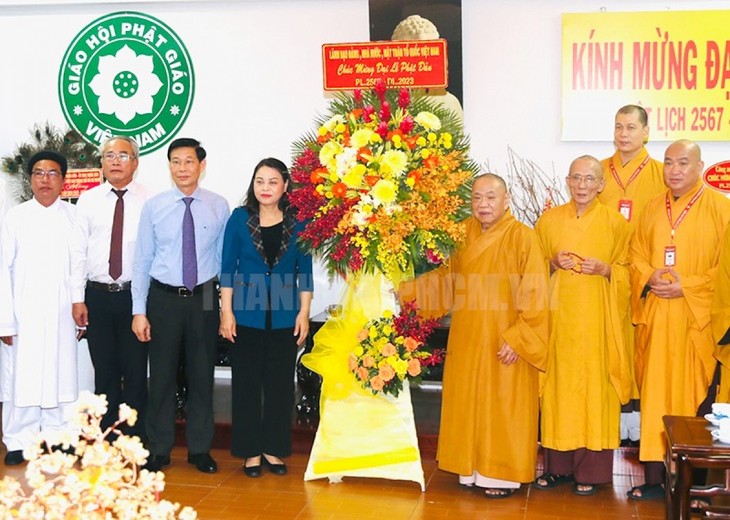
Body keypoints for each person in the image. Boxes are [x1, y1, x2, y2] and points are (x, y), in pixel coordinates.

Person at [399, 173, 549, 498]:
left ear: (506, 200)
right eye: (477, 198)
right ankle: (469, 469)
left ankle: (501, 475)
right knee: (467, 399)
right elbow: (447, 280)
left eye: (491, 197)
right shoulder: (461, 234)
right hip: (468, 335)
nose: (483, 204)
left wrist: (520, 337)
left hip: (505, 338)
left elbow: (536, 290)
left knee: (503, 403)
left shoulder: (524, 237)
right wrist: (404, 292)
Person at [627, 139, 730, 500]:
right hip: (657, 318)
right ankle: (656, 479)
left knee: (694, 400)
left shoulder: (721, 208)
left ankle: (694, 484)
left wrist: (689, 286)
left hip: (696, 323)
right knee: (656, 397)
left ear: (700, 167)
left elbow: (725, 271)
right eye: (669, 163)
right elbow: (634, 254)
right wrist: (650, 277)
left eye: (683, 163)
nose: (674, 170)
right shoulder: (652, 207)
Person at [533, 155, 631, 496]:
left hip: (597, 325)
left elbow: (631, 272)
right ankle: (557, 468)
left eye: (590, 179)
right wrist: (551, 263)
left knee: (595, 392)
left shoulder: (616, 224)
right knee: (559, 392)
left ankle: (591, 471)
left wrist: (607, 270)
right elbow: (530, 270)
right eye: (576, 178)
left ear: (601, 185)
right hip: (559, 322)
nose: (582, 186)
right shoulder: (548, 221)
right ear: (567, 181)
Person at [131, 138, 229, 473]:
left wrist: (223, 308)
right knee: (160, 377)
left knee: (202, 374)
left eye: (188, 161)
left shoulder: (219, 205)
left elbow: (221, 259)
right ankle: (159, 448)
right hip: (163, 297)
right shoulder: (155, 206)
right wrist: (139, 310)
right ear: (169, 166)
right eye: (175, 161)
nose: (182, 168)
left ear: (202, 165)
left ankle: (200, 448)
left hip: (203, 295)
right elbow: (142, 260)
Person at [219, 158, 313, 478]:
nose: (265, 188)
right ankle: (249, 453)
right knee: (246, 386)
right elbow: (227, 269)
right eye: (260, 181)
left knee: (279, 387)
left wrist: (304, 312)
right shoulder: (239, 219)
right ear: (253, 185)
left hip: (286, 316)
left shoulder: (298, 222)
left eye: (273, 182)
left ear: (285, 186)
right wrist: (226, 312)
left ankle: (273, 449)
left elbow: (306, 271)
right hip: (246, 314)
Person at [0, 151, 80, 465]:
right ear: (30, 179)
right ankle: (19, 440)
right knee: (22, 377)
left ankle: (59, 437)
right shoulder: (15, 217)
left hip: (63, 313)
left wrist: (78, 304)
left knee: (62, 375)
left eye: (52, 173)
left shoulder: (74, 217)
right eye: (38, 173)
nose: (45, 180)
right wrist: (5, 321)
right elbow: (2, 269)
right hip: (24, 314)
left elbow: (79, 267)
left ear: (63, 179)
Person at [70, 136, 150, 439]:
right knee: (103, 371)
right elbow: (78, 253)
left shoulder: (149, 199)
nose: (116, 161)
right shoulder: (88, 200)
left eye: (123, 156)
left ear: (136, 162)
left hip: (135, 296)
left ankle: (133, 439)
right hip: (97, 296)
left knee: (134, 372)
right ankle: (106, 437)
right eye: (109, 156)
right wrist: (78, 298)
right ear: (101, 162)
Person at [599, 105, 666, 446]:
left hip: (642, 278)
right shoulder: (596, 172)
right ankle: (607, 417)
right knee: (608, 346)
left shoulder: (659, 174)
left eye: (630, 128)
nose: (623, 134)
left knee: (639, 347)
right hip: (604, 276)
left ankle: (638, 421)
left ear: (645, 133)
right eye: (618, 127)